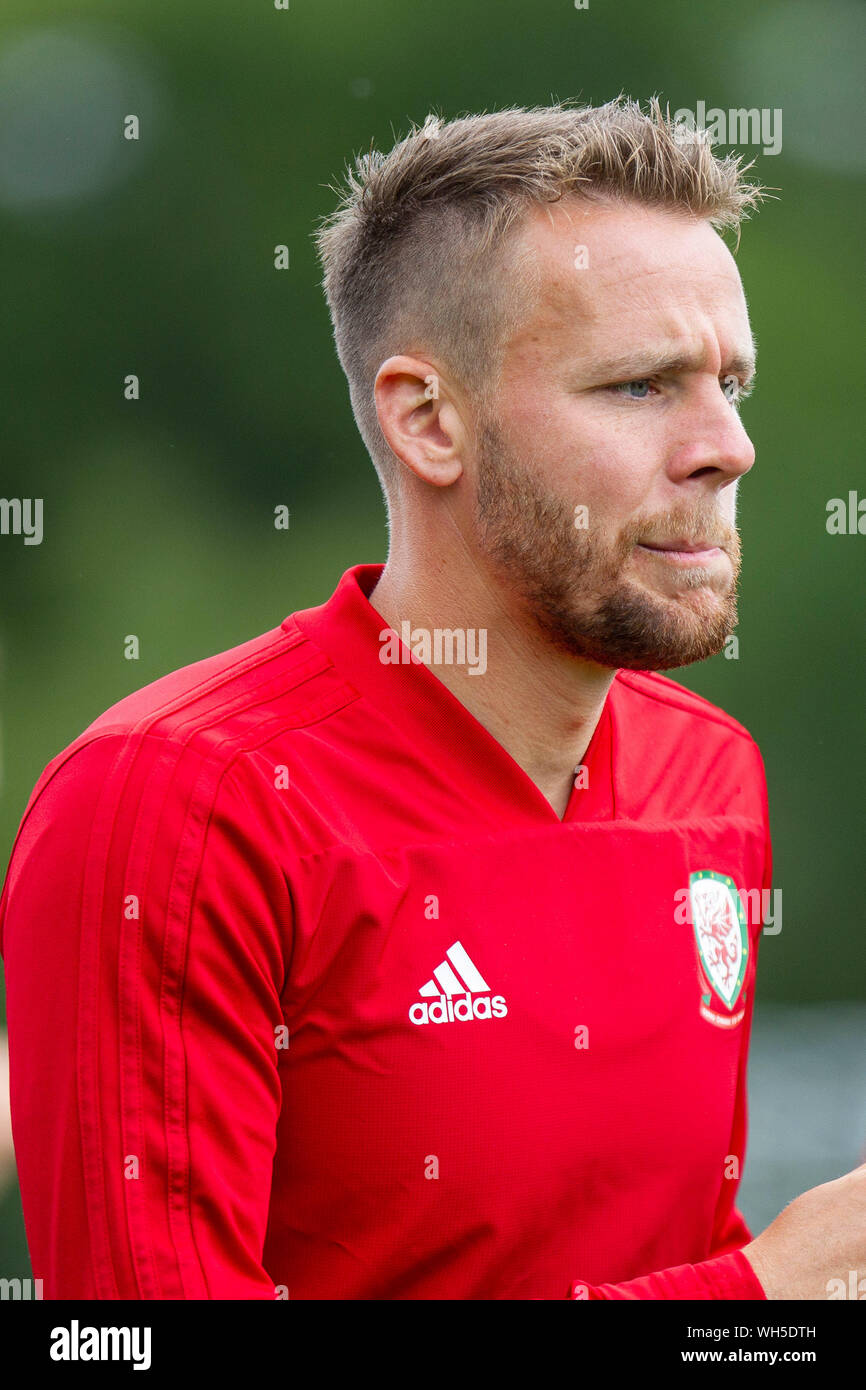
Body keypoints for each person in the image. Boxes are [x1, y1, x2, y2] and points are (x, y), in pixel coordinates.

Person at [1, 98, 861, 1300]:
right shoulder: (179, 802)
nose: (726, 445)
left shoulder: (709, 774)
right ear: (426, 419)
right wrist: (752, 1299)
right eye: (638, 387)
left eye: (731, 382)